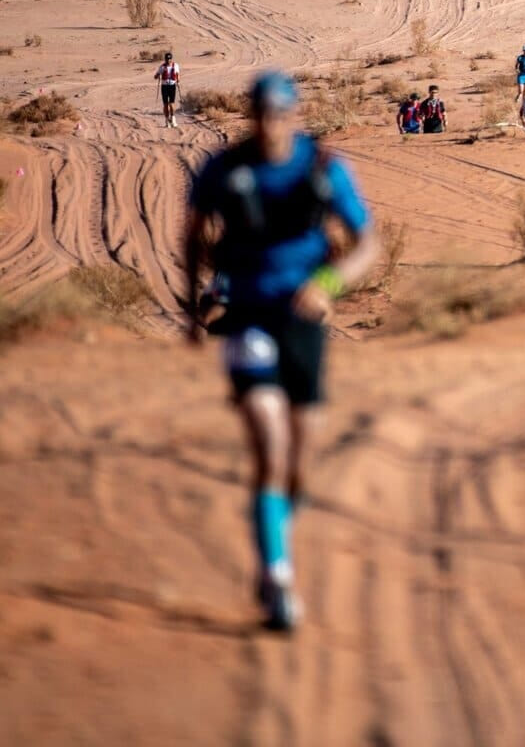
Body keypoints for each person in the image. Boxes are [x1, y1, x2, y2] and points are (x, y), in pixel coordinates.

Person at [183, 72, 380, 632]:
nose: (270, 124)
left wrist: (329, 283)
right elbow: (192, 235)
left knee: (298, 464)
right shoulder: (224, 170)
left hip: (303, 322)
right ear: (250, 115)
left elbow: (368, 243)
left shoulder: (322, 168)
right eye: (261, 113)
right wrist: (192, 306)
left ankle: (275, 529)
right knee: (269, 449)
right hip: (247, 317)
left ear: (293, 115)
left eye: (279, 114)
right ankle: (277, 575)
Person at [154, 51, 181, 128]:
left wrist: (178, 79)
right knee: (165, 104)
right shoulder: (162, 67)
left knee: (171, 104)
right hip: (164, 87)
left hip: (172, 86)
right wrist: (157, 75)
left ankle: (173, 119)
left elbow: (178, 74)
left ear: (171, 59)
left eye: (169, 59)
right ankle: (167, 120)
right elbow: (156, 76)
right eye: (167, 59)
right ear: (165, 59)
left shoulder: (175, 65)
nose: (168, 60)